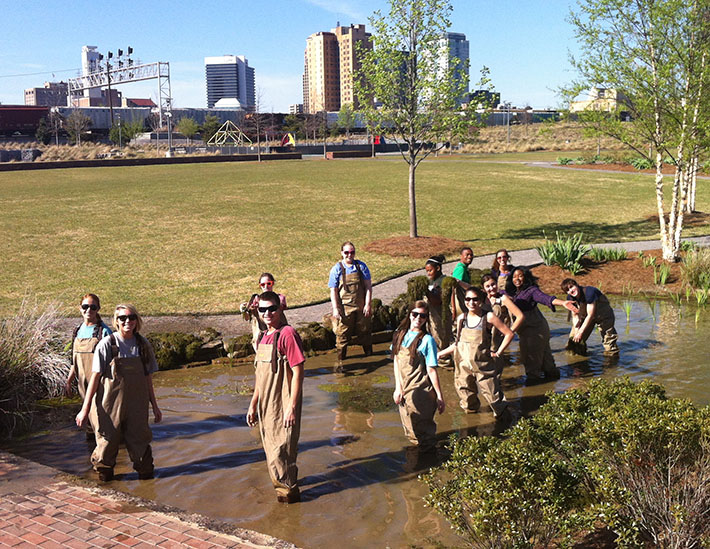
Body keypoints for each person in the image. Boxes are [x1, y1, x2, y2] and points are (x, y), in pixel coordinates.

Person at [75, 304, 162, 482]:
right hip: (109, 405)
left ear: (137, 320)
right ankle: (105, 487)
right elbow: (94, 378)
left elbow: (147, 378)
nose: (127, 321)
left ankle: (147, 486)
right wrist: (85, 409)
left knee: (141, 445)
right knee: (107, 445)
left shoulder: (143, 344)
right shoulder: (107, 344)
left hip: (137, 405)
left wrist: (155, 406)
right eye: (122, 318)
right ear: (116, 321)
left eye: (131, 317)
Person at [246, 291, 305, 503]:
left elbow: (298, 372)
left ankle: (291, 509)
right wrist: (253, 405)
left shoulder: (287, 334)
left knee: (283, 457)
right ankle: (283, 500)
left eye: (272, 308)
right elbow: (260, 377)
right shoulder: (263, 337)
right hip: (266, 408)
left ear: (280, 309)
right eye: (262, 309)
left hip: (283, 407)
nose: (267, 313)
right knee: (272, 456)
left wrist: (291, 407)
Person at [438, 287, 514, 417]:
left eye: (475, 299)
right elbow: (458, 344)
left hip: (483, 366)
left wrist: (499, 352)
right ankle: (471, 427)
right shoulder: (462, 318)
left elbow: (509, 334)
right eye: (468, 299)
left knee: (494, 398)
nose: (471, 303)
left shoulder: (488, 317)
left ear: (481, 301)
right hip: (462, 366)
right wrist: (440, 354)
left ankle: (505, 421)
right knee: (467, 401)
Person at [505, 267, 578, 384]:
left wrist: (563, 303)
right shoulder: (510, 293)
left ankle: (533, 393)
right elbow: (492, 292)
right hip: (531, 330)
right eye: (514, 276)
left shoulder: (531, 290)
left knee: (531, 361)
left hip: (534, 330)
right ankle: (553, 386)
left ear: (526, 277)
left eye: (520, 276)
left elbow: (546, 299)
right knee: (546, 361)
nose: (517, 279)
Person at [391, 301, 445, 452]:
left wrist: (440, 396)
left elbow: (432, 369)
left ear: (427, 318)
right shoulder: (399, 334)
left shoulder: (428, 340)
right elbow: (396, 360)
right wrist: (397, 388)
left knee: (424, 434)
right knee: (409, 430)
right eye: (415, 314)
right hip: (404, 391)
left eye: (423, 316)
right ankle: (416, 464)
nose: (418, 318)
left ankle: (428, 464)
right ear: (409, 314)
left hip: (422, 392)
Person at [65, 294, 113, 440]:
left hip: (101, 388)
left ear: (98, 309)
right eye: (85, 306)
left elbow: (112, 365)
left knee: (103, 427)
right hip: (83, 389)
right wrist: (68, 381)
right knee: (89, 428)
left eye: (93, 307)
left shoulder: (104, 332)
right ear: (80, 308)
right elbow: (75, 362)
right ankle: (91, 457)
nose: (89, 310)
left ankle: (109, 458)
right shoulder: (77, 331)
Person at [328, 241, 373, 361]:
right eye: (346, 252)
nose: (349, 255)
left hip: (361, 306)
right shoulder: (337, 269)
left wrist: (368, 304)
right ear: (342, 253)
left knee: (365, 332)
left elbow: (368, 287)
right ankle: (341, 361)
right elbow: (333, 291)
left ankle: (370, 358)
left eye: (352, 252)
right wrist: (335, 309)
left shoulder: (361, 267)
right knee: (342, 336)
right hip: (345, 308)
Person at [561, 278, 619, 355]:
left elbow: (590, 315)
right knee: (573, 342)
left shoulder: (589, 292)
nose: (571, 291)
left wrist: (580, 332)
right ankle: (577, 360)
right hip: (586, 317)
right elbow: (575, 316)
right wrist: (577, 330)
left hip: (603, 316)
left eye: (571, 287)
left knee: (609, 342)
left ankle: (611, 361)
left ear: (576, 285)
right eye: (567, 290)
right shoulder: (570, 298)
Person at [240, 273, 288, 351]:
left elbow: (281, 307)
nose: (266, 287)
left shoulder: (279, 298)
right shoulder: (255, 300)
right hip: (261, 337)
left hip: (277, 334)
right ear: (260, 286)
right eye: (263, 284)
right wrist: (245, 310)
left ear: (273, 283)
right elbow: (247, 318)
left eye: (269, 284)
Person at [481, 274, 525, 352]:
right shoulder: (481, 300)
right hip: (482, 338)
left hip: (496, 340)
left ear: (497, 283)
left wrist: (510, 332)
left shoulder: (503, 299)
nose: (491, 288)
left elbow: (520, 316)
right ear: (483, 288)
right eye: (487, 286)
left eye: (493, 284)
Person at [424, 255, 452, 368]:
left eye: (430, 270)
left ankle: (445, 364)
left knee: (441, 341)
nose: (428, 273)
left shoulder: (444, 281)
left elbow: (437, 301)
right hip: (430, 317)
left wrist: (426, 290)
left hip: (441, 316)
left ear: (438, 268)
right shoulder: (431, 281)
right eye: (427, 271)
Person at [450, 247, 474, 321]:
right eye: (467, 255)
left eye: (471, 255)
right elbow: (452, 288)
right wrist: (454, 309)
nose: (469, 257)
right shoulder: (461, 269)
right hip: (459, 304)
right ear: (461, 256)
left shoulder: (464, 268)